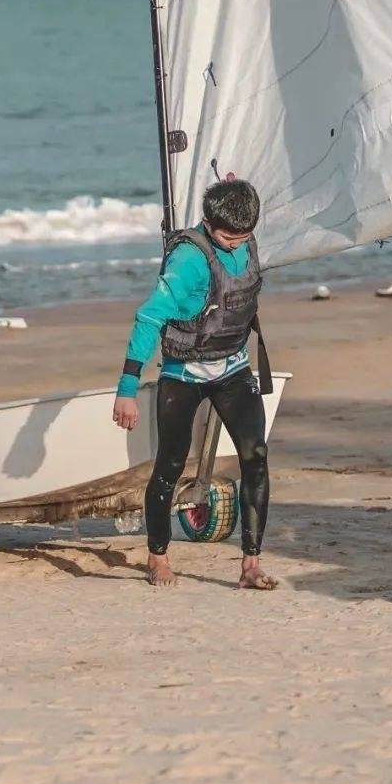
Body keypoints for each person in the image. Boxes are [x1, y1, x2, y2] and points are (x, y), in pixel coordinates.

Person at [112, 178, 276, 590]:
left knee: (255, 455)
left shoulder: (244, 233)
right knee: (170, 462)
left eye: (243, 236)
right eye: (226, 237)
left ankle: (251, 564)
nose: (236, 245)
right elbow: (149, 318)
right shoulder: (187, 261)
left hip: (233, 368)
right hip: (183, 373)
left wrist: (238, 189)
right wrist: (127, 389)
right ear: (206, 223)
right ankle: (158, 556)